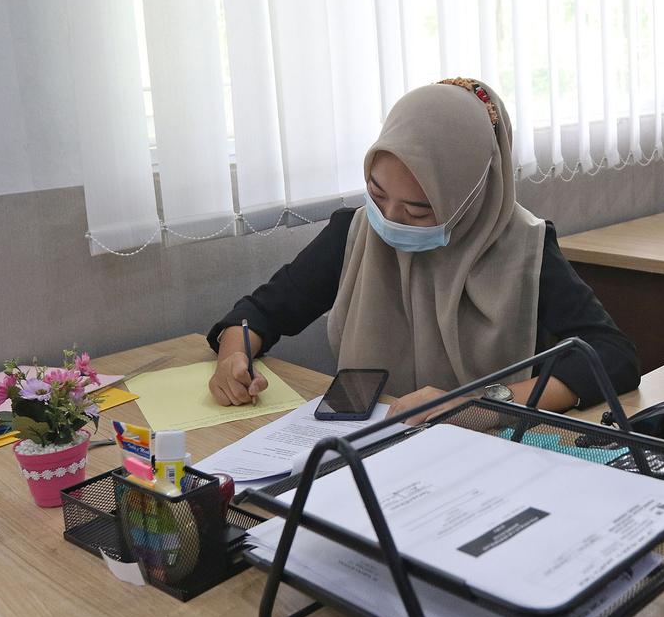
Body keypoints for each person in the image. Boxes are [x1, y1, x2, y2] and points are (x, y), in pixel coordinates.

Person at [206, 78, 640, 423]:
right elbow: (259, 313)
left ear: (470, 197)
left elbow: (613, 357)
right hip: (375, 449)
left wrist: (481, 405)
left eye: (418, 211)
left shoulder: (524, 251)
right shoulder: (355, 233)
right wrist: (234, 357)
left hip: (487, 453)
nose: (390, 220)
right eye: (377, 195)